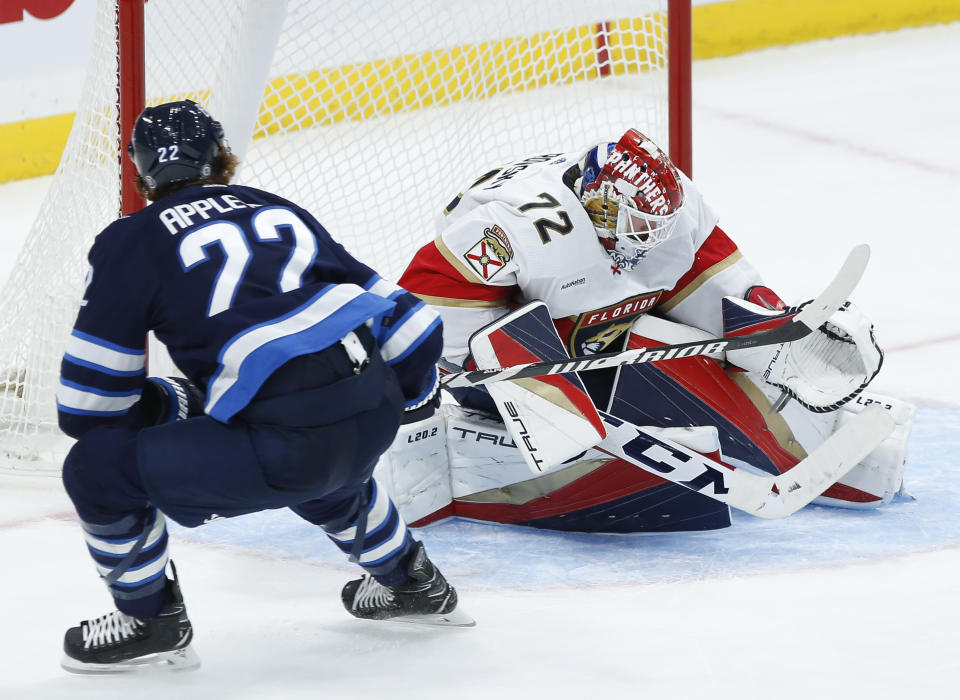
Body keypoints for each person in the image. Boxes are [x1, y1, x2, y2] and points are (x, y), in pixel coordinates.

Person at [56, 100, 470, 674]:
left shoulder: (131, 240)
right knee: (313, 443)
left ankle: (150, 620)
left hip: (286, 445)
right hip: (368, 411)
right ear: (222, 157)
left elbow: (88, 404)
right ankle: (414, 581)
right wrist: (395, 398)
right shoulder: (278, 209)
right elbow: (415, 323)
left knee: (93, 470)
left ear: (141, 172)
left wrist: (159, 410)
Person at [376, 128, 915, 533]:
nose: (646, 245)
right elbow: (426, 304)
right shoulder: (515, 226)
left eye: (655, 230)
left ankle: (802, 437)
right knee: (537, 379)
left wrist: (778, 334)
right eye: (635, 229)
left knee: (700, 354)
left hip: (601, 340)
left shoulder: (671, 207)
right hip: (510, 358)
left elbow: (719, 283)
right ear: (597, 200)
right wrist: (525, 380)